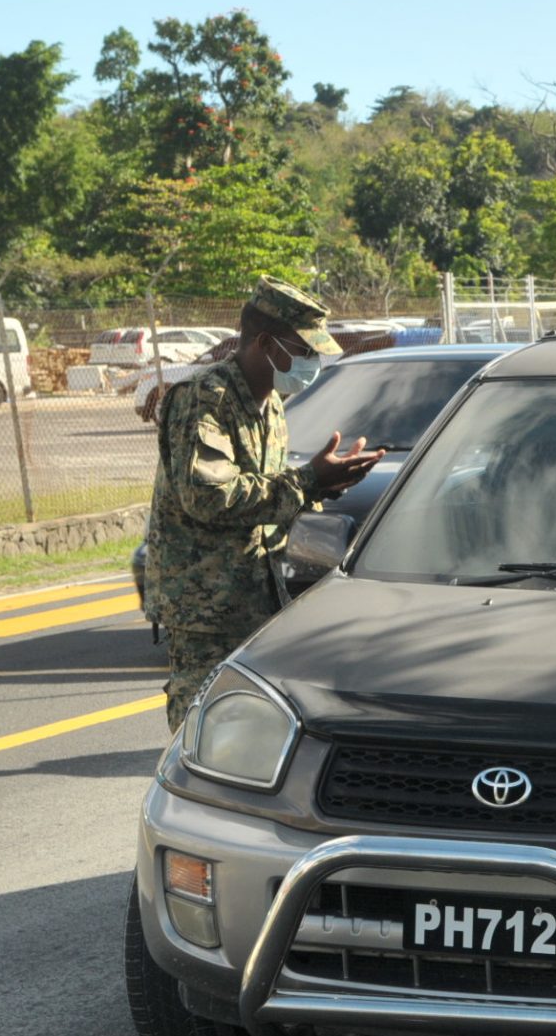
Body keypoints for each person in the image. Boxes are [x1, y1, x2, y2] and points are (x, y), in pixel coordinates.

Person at [145, 277, 384, 732]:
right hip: (206, 608)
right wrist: (308, 481)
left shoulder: (271, 405)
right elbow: (209, 497)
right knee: (206, 732)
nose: (311, 361)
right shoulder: (205, 398)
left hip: (259, 600)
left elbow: (269, 495)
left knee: (255, 733)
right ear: (265, 343)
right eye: (304, 349)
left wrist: (322, 488)